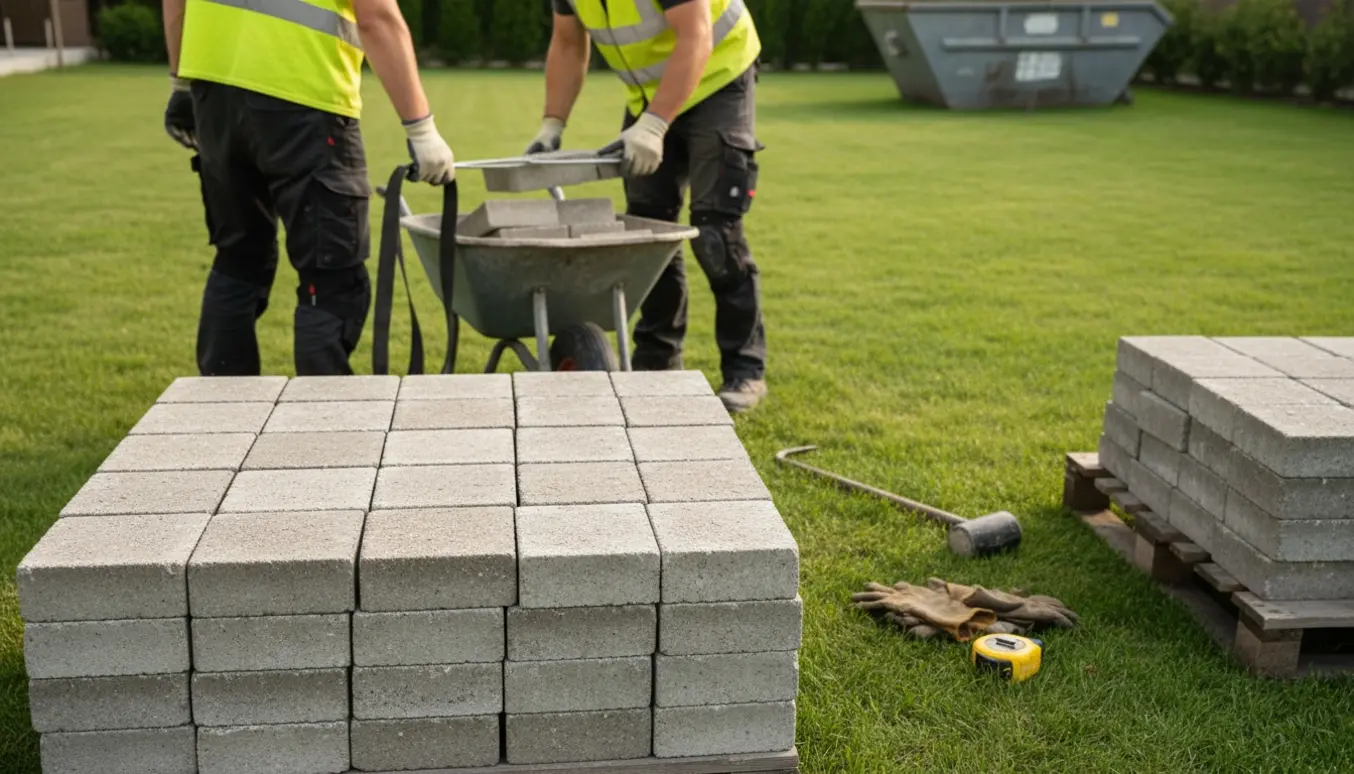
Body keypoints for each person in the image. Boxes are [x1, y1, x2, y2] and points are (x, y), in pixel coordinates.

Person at [161, 0, 456, 376]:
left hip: (215, 97)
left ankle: (222, 407)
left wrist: (181, 83)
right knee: (331, 279)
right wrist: (421, 129)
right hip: (306, 97)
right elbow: (377, 17)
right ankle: (320, 413)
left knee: (238, 260)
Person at [526, 0, 769, 413]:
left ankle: (745, 369)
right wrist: (553, 124)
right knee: (648, 232)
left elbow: (696, 34)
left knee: (716, 235)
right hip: (650, 95)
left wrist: (656, 124)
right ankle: (658, 362)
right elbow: (568, 43)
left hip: (718, 76)